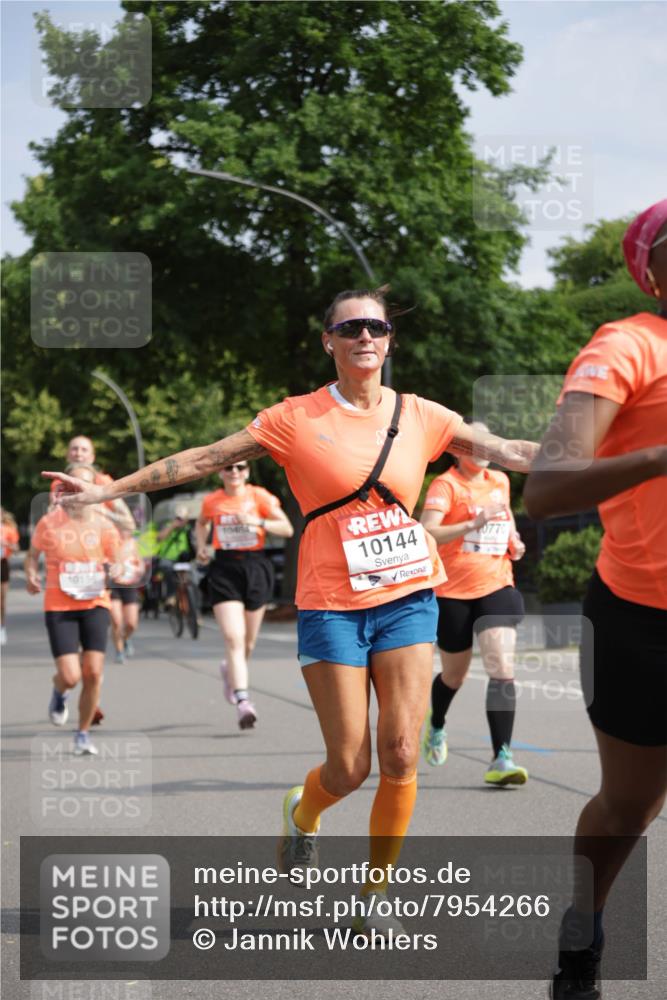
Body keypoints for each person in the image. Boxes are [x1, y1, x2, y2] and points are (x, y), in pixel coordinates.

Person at [44, 287, 536, 933]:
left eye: (376, 327)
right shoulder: (293, 418)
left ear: (389, 340)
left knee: (399, 753)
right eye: (350, 327)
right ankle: (305, 813)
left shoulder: (421, 414)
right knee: (349, 765)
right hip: (331, 603)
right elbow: (202, 458)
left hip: (408, 595)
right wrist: (108, 489)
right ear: (327, 340)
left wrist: (609, 457)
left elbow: (509, 449)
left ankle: (374, 898)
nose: (365, 337)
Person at [523, 199, 667, 1000]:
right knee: (629, 802)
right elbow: (545, 489)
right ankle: (582, 932)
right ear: (652, 268)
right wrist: (657, 456)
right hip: (643, 616)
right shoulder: (627, 345)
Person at [420, 424, 528, 785]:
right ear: (456, 449)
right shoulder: (446, 485)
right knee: (455, 674)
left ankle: (502, 757)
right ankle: (436, 724)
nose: (484, 448)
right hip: (453, 592)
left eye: (488, 442)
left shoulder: (500, 480)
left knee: (501, 665)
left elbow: (506, 518)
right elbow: (427, 531)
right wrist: (473, 522)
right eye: (473, 442)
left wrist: (513, 540)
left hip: (497, 582)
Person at [25, 465, 121, 755]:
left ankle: (82, 733)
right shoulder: (49, 523)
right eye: (71, 486)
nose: (77, 491)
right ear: (62, 490)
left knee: (92, 673)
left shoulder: (105, 524)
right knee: (70, 676)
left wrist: (116, 568)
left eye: (84, 485)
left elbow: (116, 560)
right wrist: (31, 574)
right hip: (59, 605)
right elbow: (32, 557)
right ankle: (60, 691)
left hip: (95, 604)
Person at [196, 464, 294, 729]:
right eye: (228, 467)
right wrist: (202, 547)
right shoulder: (212, 501)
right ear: (221, 473)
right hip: (224, 569)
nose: (234, 471)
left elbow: (287, 529)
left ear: (248, 472)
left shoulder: (259, 496)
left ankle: (230, 671)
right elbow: (202, 524)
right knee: (233, 638)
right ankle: (243, 701)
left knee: (247, 643)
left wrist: (257, 521)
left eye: (240, 467)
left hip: (255, 566)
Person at [109, 525, 145, 663]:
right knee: (117, 621)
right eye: (122, 528)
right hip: (112, 585)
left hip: (129, 585)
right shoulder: (109, 542)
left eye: (127, 529)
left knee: (131, 623)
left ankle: (125, 639)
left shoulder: (133, 544)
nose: (124, 532)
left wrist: (140, 569)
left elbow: (140, 562)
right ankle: (119, 652)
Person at [1, 508, 20, 645]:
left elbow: (17, 548)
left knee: (1, 601)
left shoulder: (8, 530)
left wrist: (6, 544)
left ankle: (2, 628)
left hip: (2, 564)